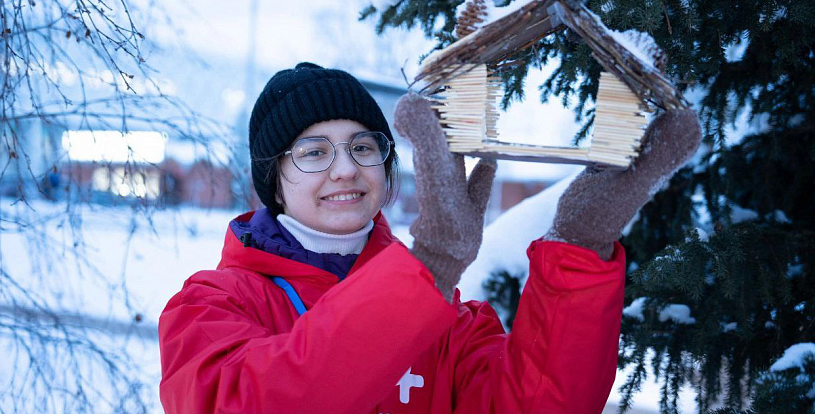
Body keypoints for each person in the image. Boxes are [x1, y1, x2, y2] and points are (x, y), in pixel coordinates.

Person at [158, 62, 701, 413]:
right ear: (271, 180)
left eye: (364, 146)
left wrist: (579, 248)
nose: (346, 169)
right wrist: (431, 267)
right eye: (314, 151)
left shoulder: (448, 321)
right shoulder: (210, 306)